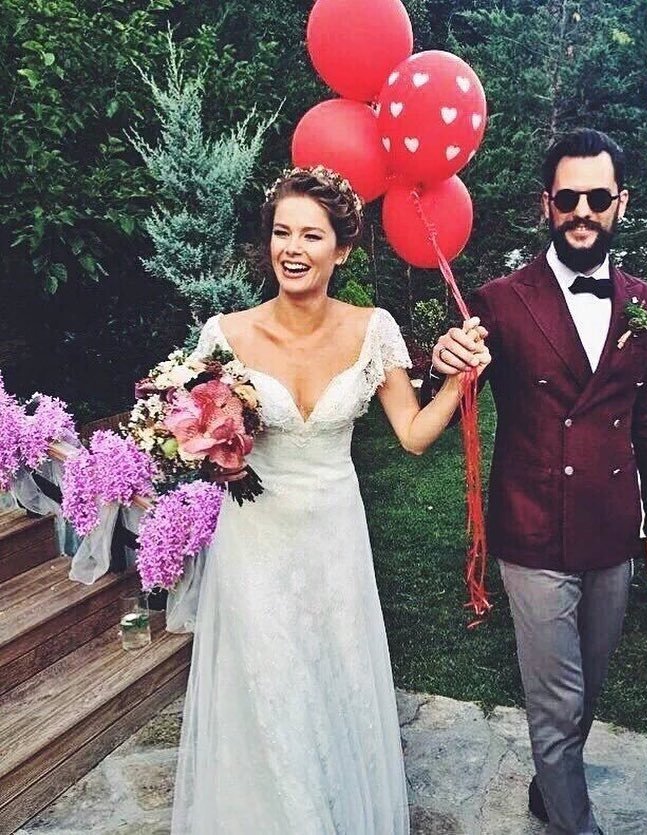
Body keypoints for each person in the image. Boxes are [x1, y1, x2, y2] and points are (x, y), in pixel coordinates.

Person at [169, 165, 490, 834]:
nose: (292, 248)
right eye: (282, 232)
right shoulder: (224, 336)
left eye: (311, 235)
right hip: (254, 541)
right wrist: (210, 443)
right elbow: (195, 434)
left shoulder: (373, 329)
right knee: (267, 687)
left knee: (330, 679)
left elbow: (411, 435)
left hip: (334, 539)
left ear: (341, 250)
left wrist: (458, 383)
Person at [427, 129, 647, 835]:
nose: (582, 211)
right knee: (558, 700)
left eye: (597, 197)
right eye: (568, 198)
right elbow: (449, 395)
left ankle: (549, 786)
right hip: (531, 525)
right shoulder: (500, 299)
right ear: (546, 204)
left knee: (587, 688)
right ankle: (575, 822)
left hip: (612, 528)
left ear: (620, 203)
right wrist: (441, 359)